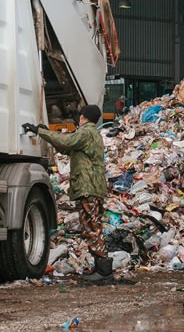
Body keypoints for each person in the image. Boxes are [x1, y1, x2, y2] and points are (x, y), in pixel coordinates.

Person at [23, 104, 123, 282]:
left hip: (88, 188)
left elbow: (67, 142)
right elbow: (67, 147)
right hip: (92, 187)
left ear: (83, 117)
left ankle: (104, 271)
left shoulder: (86, 132)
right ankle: (100, 268)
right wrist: (48, 133)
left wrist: (41, 132)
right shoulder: (90, 134)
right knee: (91, 226)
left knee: (92, 228)